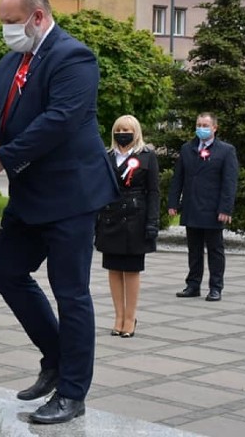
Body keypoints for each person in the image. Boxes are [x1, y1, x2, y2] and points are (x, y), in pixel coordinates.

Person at [0, 0, 119, 425]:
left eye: (11, 22)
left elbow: (58, 121)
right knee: (7, 273)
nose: (5, 30)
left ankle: (72, 392)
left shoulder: (73, 57)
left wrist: (1, 158)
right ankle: (56, 359)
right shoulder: (10, 63)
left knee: (71, 293)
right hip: (28, 195)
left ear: (38, 17)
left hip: (70, 195)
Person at [94, 115, 160, 339]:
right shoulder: (107, 155)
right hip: (111, 217)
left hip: (136, 218)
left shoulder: (147, 156)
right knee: (113, 268)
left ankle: (130, 318)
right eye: (119, 129)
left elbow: (153, 192)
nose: (122, 133)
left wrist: (152, 222)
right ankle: (118, 316)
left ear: (136, 131)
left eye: (127, 129)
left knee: (131, 270)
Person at [168, 112, 239, 302]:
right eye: (199, 124)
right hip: (192, 206)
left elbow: (229, 182)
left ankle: (216, 287)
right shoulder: (187, 148)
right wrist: (173, 202)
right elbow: (178, 178)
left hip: (213, 208)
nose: (201, 128)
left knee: (215, 250)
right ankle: (193, 285)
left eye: (205, 125)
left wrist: (225, 208)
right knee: (194, 249)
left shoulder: (226, 150)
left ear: (214, 128)